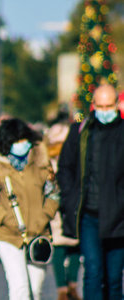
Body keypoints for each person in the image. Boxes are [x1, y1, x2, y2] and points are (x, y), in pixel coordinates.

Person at [0, 118, 59, 300]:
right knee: (20, 288)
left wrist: (44, 216)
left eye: (24, 140)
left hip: (39, 235)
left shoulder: (41, 164)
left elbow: (54, 194)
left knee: (36, 290)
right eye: (16, 141)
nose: (21, 145)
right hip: (8, 236)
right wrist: (6, 218)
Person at [58, 84, 124, 300]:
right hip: (89, 215)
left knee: (114, 278)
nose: (105, 111)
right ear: (93, 105)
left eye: (109, 105)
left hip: (119, 218)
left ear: (117, 104)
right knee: (93, 271)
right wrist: (69, 197)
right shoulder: (81, 132)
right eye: (101, 106)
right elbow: (65, 166)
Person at [45, 121, 81, 300]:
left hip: (59, 205)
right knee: (72, 244)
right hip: (64, 204)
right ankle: (70, 286)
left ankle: (64, 288)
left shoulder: (46, 159)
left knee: (62, 246)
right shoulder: (75, 155)